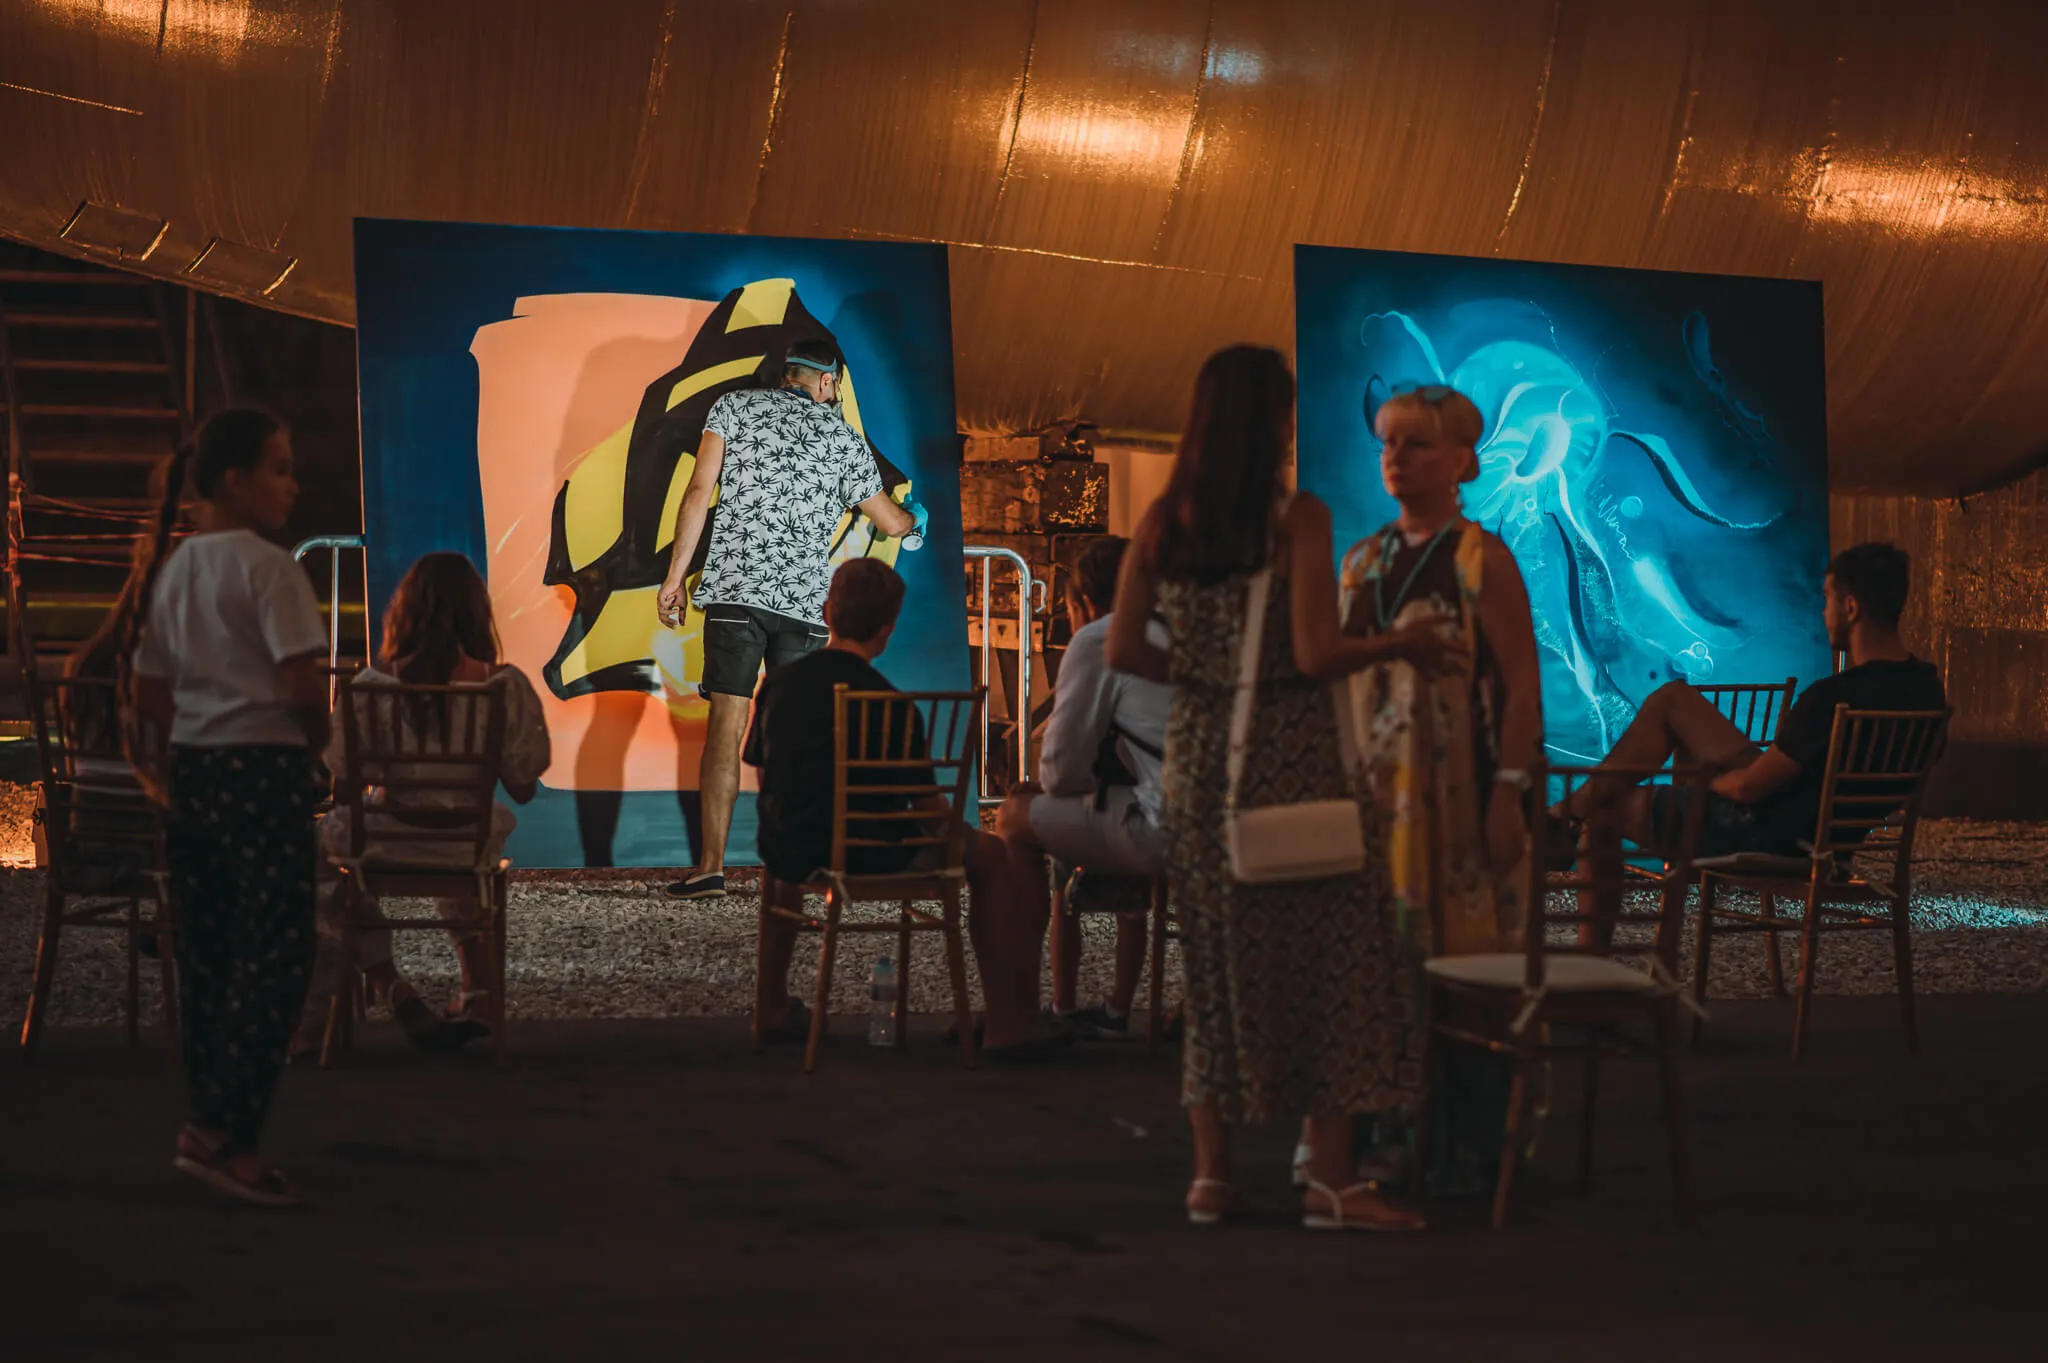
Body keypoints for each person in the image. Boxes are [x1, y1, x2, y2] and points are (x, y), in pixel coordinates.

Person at [1106, 345, 1463, 1231]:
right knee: (1336, 958)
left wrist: (1206, 676)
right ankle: (1331, 1178)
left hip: (1200, 763)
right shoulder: (1297, 518)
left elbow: (1123, 649)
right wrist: (1400, 644)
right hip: (1290, 759)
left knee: (1215, 966)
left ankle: (1212, 1177)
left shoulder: (1162, 523)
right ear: (1273, 422)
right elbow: (1313, 652)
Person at [1338, 385, 1546, 1198]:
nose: (1396, 457)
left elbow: (1521, 685)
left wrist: (1509, 791)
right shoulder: (1362, 560)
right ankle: (1388, 1134)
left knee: (1469, 964)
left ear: (1462, 461)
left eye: (1416, 444)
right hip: (1377, 795)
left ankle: (1479, 1142)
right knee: (1383, 963)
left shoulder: (1480, 559)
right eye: (1388, 442)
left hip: (1461, 791)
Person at [122, 408, 328, 1208]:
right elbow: (303, 687)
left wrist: (198, 729)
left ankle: (205, 1118)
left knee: (208, 953)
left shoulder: (176, 569)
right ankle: (230, 1136)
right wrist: (313, 744)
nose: (292, 485)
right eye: (279, 467)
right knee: (275, 954)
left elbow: (147, 690)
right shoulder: (271, 570)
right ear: (236, 480)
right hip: (264, 770)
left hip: (196, 770)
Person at [749, 559, 1069, 1058]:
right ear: (887, 630)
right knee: (993, 857)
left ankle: (770, 1007)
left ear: (827, 612)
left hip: (790, 847)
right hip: (873, 853)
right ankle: (1009, 1020)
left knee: (783, 860)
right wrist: (968, 837)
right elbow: (927, 809)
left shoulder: (778, 684)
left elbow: (764, 772)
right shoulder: (889, 703)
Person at [655, 339, 921, 900]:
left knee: (726, 726)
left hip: (735, 592)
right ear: (827, 382)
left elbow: (698, 493)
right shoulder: (845, 440)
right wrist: (914, 517)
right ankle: (796, 865)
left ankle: (710, 869)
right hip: (803, 606)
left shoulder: (733, 407)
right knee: (793, 733)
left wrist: (675, 578)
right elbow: (892, 523)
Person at [293, 552, 552, 1057]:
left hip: (387, 844)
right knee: (462, 841)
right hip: (465, 845)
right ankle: (478, 993)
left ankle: (391, 989)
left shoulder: (373, 687)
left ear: (405, 611)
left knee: (323, 863)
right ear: (477, 612)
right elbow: (523, 788)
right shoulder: (503, 686)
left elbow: (344, 789)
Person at [1555, 542, 1945, 859]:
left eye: (1827, 599)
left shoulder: (1833, 698)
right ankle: (1566, 813)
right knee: (1673, 700)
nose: (1823, 611)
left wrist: (1706, 782)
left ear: (1851, 607)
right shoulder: (1928, 690)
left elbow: (1748, 790)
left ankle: (1568, 820)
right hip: (1827, 835)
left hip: (1765, 833)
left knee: (1604, 809)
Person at [994, 536, 1172, 1037]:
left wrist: (1045, 792)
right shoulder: (1177, 631)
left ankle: (1020, 1011)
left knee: (1014, 819)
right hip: (1210, 817)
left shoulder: (1099, 638)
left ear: (1083, 603)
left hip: (1159, 824)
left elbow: (1059, 769)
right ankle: (1115, 1007)